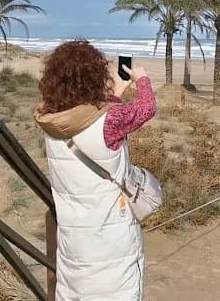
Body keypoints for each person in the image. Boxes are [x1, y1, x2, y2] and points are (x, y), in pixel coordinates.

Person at [34, 40, 156, 300]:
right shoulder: (110, 121)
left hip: (73, 236)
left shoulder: (52, 121)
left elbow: (86, 121)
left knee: (76, 289)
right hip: (109, 236)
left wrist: (115, 96)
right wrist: (142, 79)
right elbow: (147, 108)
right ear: (94, 77)